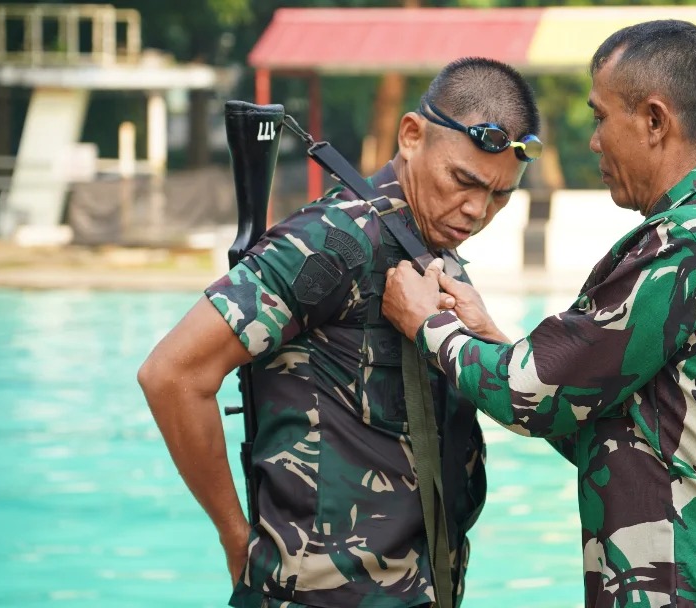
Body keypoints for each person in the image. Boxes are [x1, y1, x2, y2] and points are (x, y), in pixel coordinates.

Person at [381, 21, 696, 608]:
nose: (593, 140)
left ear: (654, 120)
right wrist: (484, 333)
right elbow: (618, 432)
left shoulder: (686, 244)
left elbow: (530, 394)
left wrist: (426, 324)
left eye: (600, 116)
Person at [137, 57, 542, 608]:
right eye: (463, 180)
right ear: (411, 135)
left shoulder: (433, 251)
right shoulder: (335, 240)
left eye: (500, 195)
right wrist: (238, 543)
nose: (476, 210)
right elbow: (172, 375)